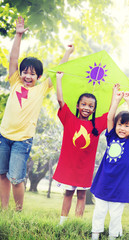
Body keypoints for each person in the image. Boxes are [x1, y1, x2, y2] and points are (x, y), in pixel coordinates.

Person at [0, 17, 53, 211]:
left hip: (22, 141)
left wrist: (68, 53)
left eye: (32, 74)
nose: (27, 76)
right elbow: (13, 59)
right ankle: (4, 209)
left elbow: (58, 72)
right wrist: (18, 35)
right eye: (25, 72)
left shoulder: (40, 90)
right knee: (1, 174)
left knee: (16, 178)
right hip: (3, 137)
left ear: (38, 77)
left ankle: (18, 210)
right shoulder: (14, 82)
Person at [53, 46, 109, 224]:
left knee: (82, 195)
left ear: (94, 109)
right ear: (78, 105)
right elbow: (60, 100)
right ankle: (62, 222)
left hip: (85, 167)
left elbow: (111, 114)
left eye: (91, 106)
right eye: (83, 104)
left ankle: (77, 223)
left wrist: (116, 96)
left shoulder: (97, 124)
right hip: (70, 165)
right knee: (68, 193)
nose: (87, 108)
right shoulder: (69, 119)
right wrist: (59, 78)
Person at [90, 85, 129, 240]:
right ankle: (95, 234)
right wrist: (116, 99)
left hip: (120, 185)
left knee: (115, 214)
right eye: (120, 124)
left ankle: (113, 236)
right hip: (103, 182)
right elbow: (109, 118)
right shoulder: (111, 137)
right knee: (99, 211)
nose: (122, 128)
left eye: (127, 126)